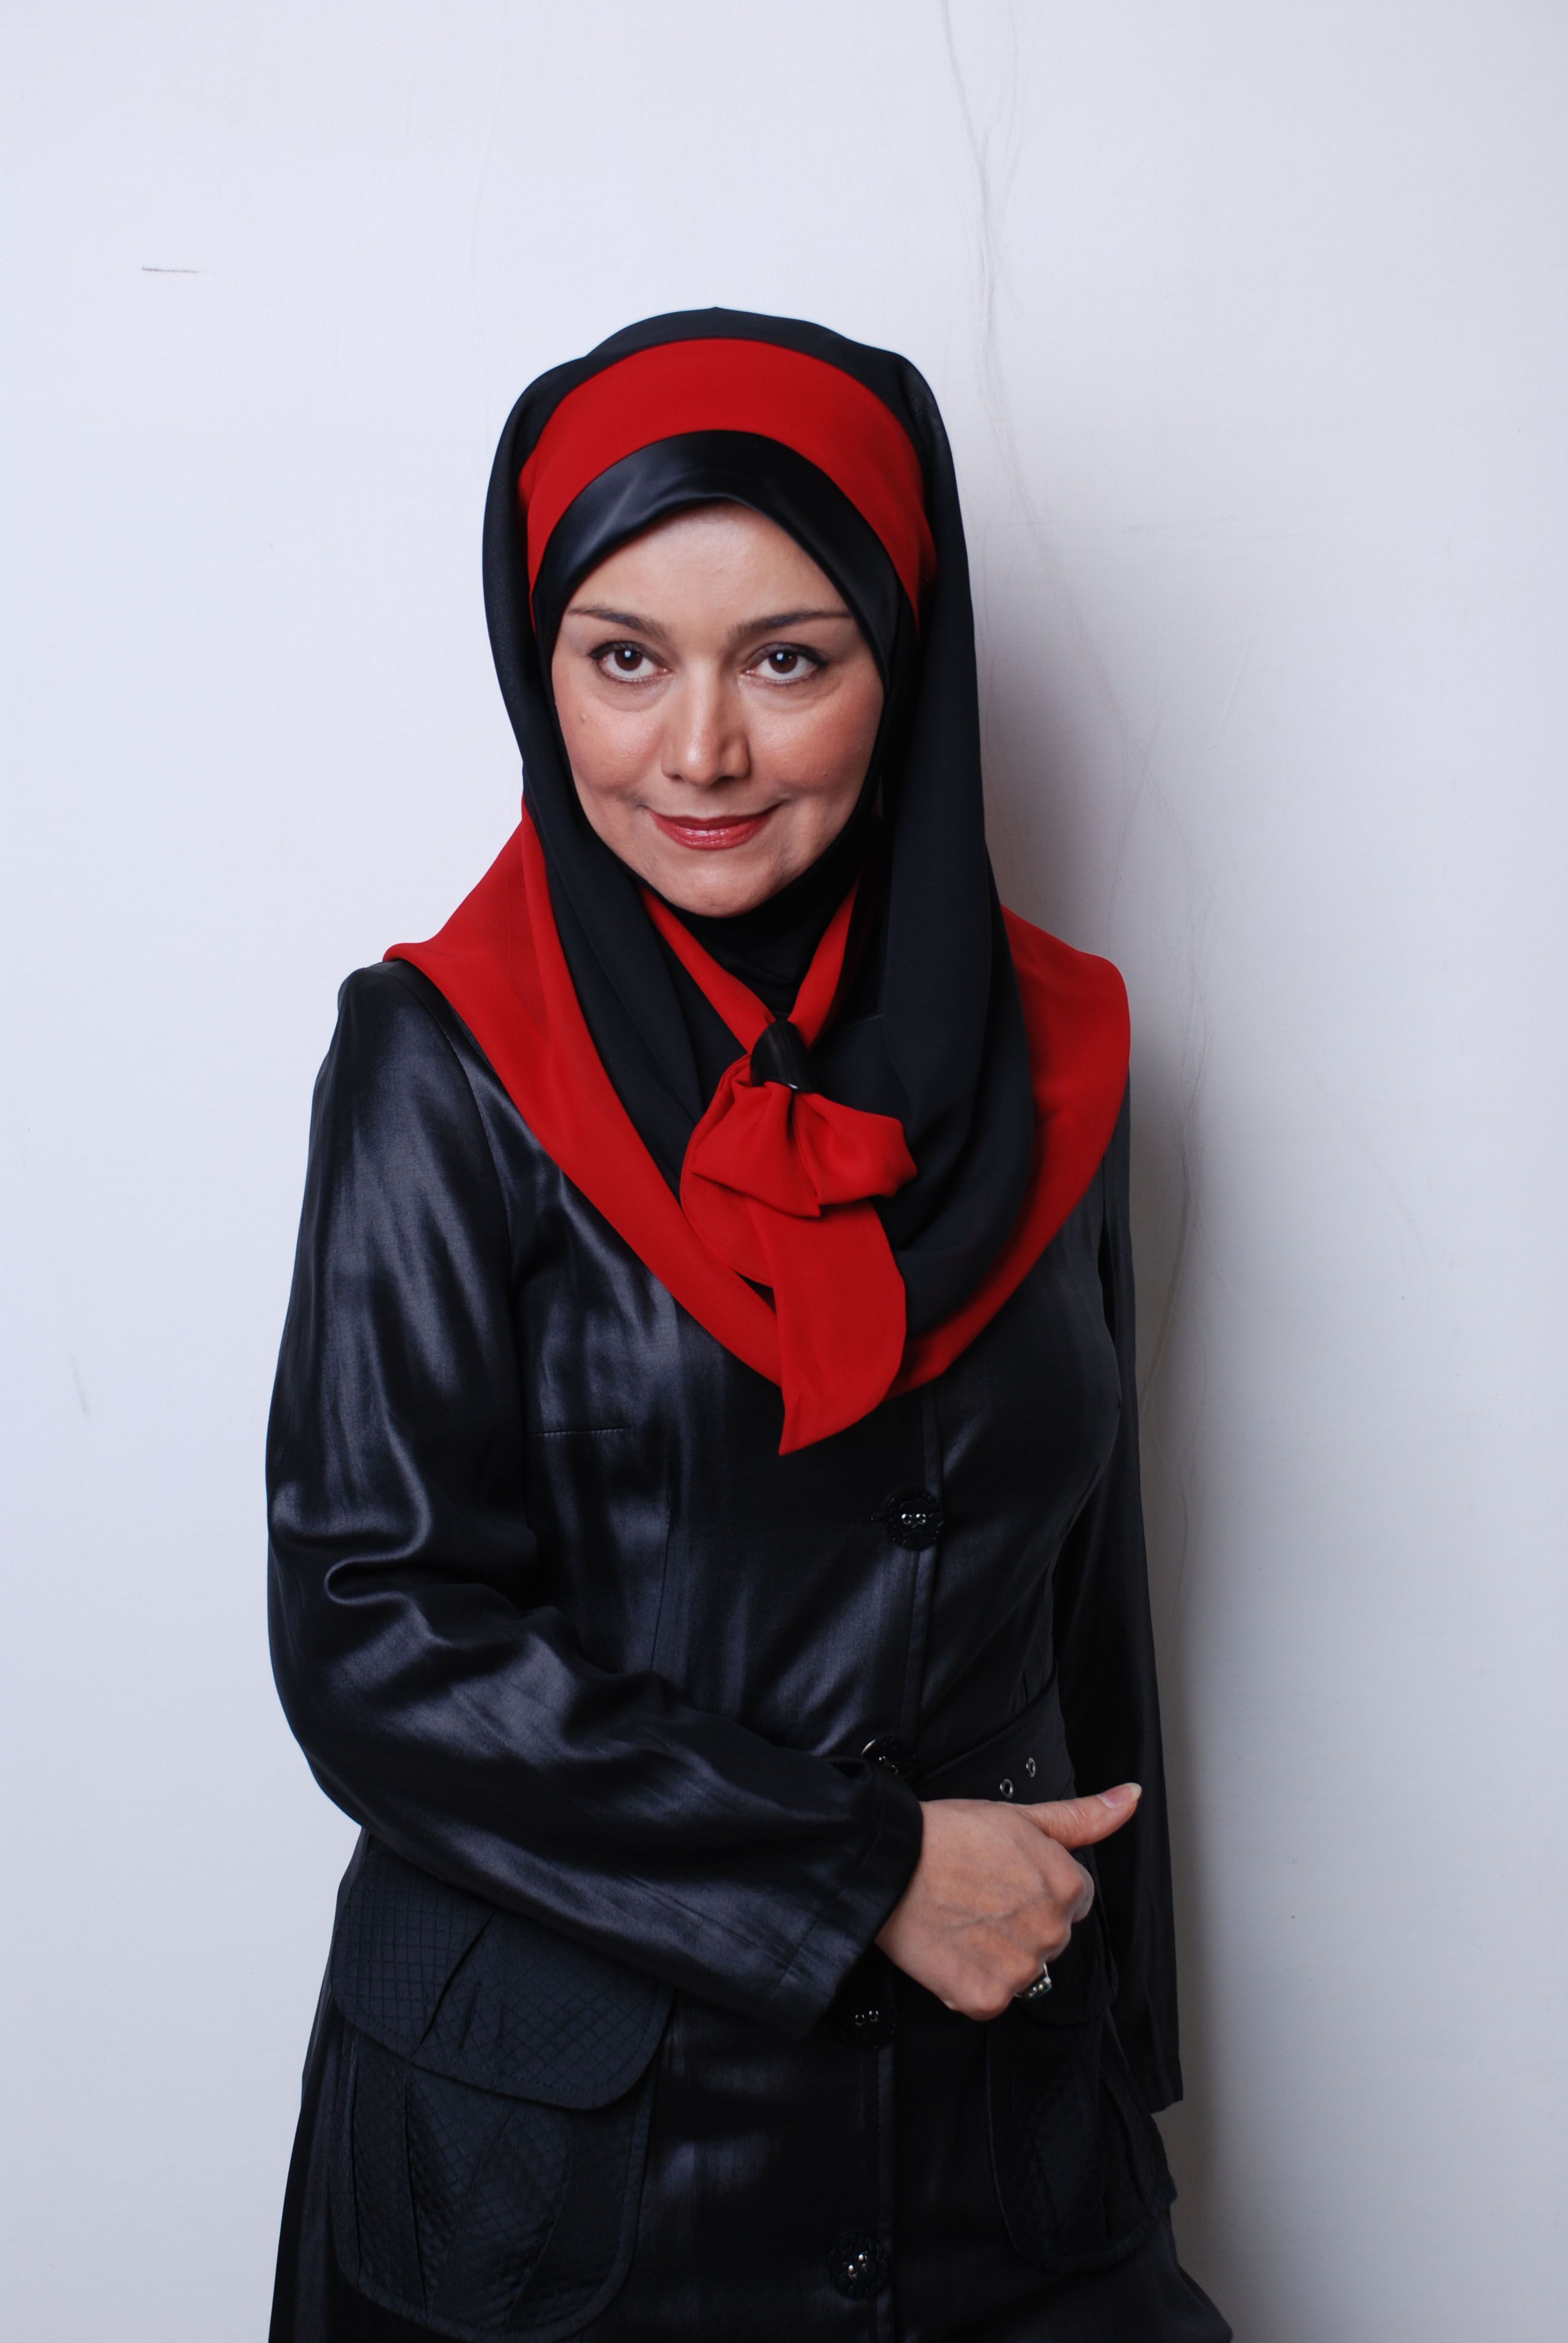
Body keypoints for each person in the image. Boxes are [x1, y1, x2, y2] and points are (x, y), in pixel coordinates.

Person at [266, 309, 1230, 2343]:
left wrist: (1124, 2089)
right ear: (541, 666)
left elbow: (1091, 1614)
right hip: (553, 2184)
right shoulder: (444, 1061)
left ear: (908, 662)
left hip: (995, 2143)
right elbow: (374, 1636)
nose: (698, 753)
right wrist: (858, 1872)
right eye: (624, 660)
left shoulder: (1065, 1054)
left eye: (788, 660)